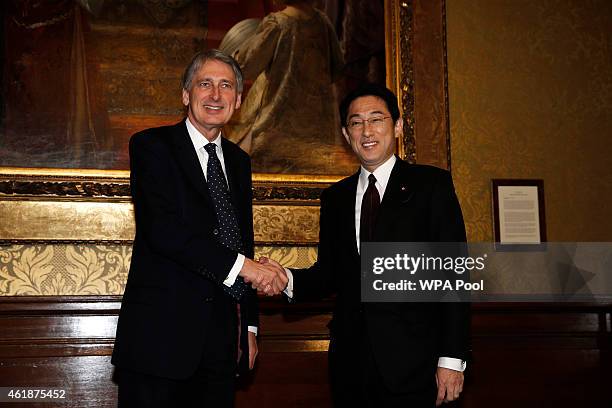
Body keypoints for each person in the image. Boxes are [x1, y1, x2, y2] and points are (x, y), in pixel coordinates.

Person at [263, 83, 470, 406]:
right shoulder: (336, 197)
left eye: (377, 119)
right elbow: (330, 273)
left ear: (397, 126)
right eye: (356, 122)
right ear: (347, 135)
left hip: (417, 365)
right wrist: (285, 279)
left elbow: (454, 275)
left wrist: (452, 359)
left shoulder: (431, 186)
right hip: (352, 365)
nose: (367, 130)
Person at [111, 49, 288, 408]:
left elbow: (242, 240)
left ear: (238, 101)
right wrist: (244, 267)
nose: (215, 95)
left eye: (226, 86)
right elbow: (163, 231)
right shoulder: (151, 146)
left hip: (221, 346)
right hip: (159, 343)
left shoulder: (239, 163)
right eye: (205, 84)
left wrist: (249, 328)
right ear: (186, 94)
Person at [225, 0, 357, 175]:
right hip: (316, 124)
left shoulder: (279, 24)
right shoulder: (323, 23)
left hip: (276, 120)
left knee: (239, 160)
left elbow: (246, 64)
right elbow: (337, 68)